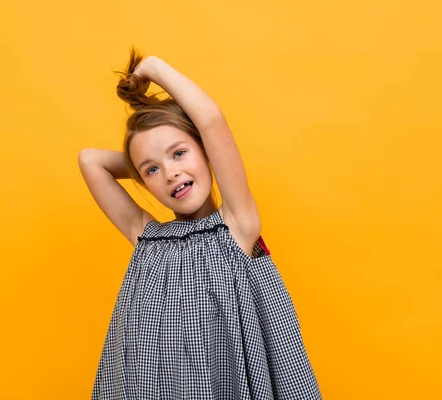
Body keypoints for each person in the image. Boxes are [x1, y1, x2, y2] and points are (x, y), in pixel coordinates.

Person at [78, 48, 321, 400]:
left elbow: (210, 119)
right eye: (152, 170)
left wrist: (152, 69)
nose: (171, 172)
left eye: (179, 153)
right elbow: (90, 161)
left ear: (208, 150)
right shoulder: (148, 238)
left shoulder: (237, 224)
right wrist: (143, 162)